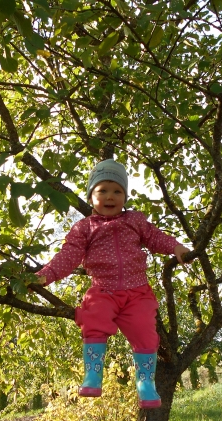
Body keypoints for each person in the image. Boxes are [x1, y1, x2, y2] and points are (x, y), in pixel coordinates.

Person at [32, 159, 191, 408]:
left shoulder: (135, 221)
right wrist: (47, 274)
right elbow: (69, 255)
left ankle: (145, 384)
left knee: (146, 332)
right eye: (102, 190)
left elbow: (155, 237)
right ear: (91, 195)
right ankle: (93, 375)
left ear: (125, 196)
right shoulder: (84, 227)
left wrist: (176, 248)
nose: (110, 196)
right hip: (103, 290)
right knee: (93, 317)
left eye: (117, 191)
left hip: (137, 292)